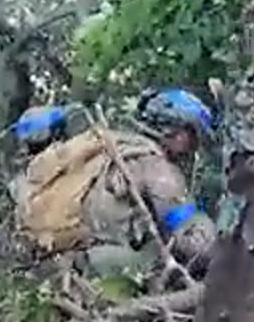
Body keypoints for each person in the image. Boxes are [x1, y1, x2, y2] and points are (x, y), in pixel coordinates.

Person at [14, 88, 219, 280]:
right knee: (158, 260)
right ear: (176, 131)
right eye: (192, 136)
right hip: (96, 269)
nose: (192, 148)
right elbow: (194, 244)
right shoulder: (156, 168)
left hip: (48, 263)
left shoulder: (106, 144)